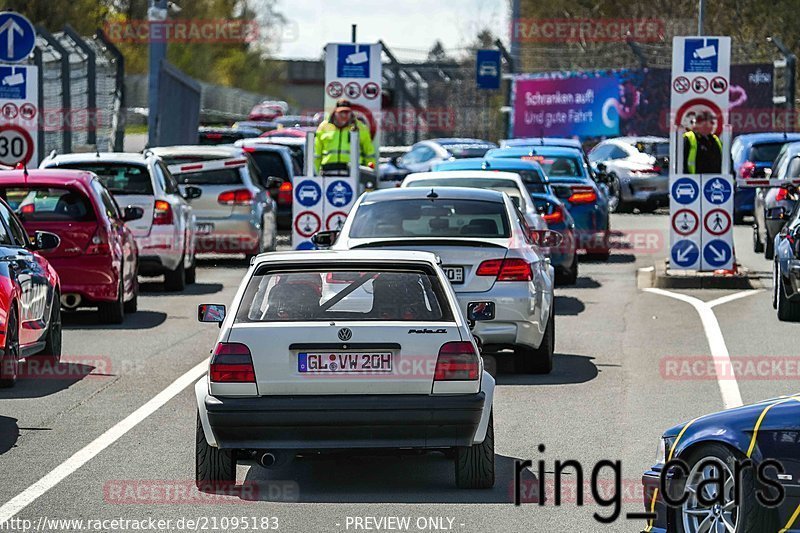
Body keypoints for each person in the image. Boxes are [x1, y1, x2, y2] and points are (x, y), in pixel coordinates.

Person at [313, 99, 376, 174]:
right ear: (335, 112)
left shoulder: (360, 128)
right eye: (341, 112)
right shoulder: (324, 127)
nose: (344, 115)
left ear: (351, 113)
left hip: (353, 172)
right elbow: (317, 153)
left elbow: (369, 152)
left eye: (346, 112)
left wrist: (369, 172)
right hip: (328, 171)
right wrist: (315, 173)